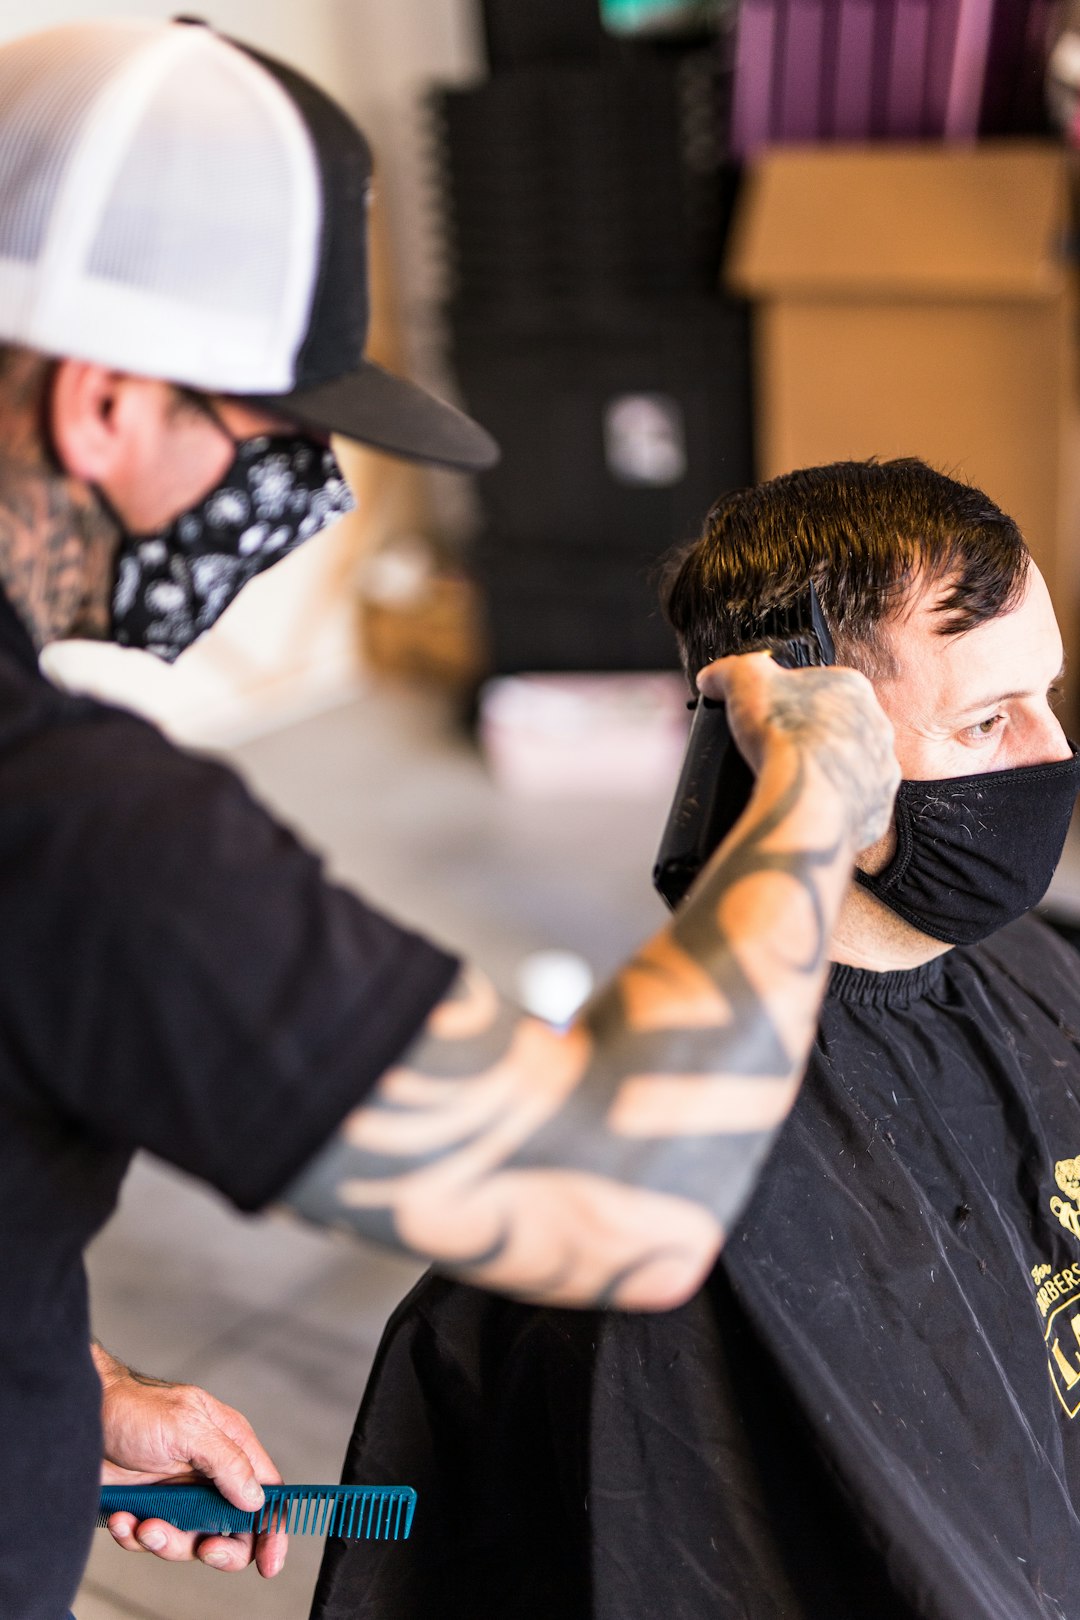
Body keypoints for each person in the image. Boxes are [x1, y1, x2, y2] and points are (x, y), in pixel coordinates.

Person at [0, 22, 898, 1620]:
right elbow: (626, 1200)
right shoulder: (77, 832)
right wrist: (822, 778)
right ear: (104, 406)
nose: (304, 497)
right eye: (278, 435)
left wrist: (63, 1388)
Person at [310, 458, 1080, 1620]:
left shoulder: (1046, 967)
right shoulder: (661, 1178)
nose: (1050, 754)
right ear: (823, 741)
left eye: (1048, 697)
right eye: (985, 720)